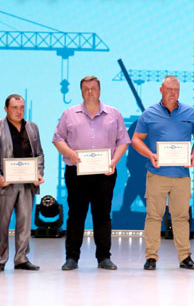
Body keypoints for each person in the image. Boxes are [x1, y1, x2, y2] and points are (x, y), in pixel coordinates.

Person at [53, 76, 130, 271]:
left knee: (102, 215)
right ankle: (72, 258)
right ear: (81, 91)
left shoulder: (114, 114)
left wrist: (114, 161)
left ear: (100, 90)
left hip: (105, 172)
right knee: (75, 215)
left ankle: (104, 257)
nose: (90, 92)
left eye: (93, 88)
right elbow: (58, 139)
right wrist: (70, 153)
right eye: (86, 88)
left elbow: (123, 141)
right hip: (76, 172)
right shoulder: (69, 114)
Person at [131, 76, 194, 271]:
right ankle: (151, 257)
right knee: (153, 216)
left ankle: (185, 257)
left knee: (181, 217)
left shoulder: (190, 112)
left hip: (181, 175)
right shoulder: (149, 114)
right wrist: (150, 154)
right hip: (157, 174)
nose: (173, 93)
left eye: (176, 90)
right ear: (161, 90)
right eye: (169, 89)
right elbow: (136, 139)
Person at [0, 94, 44, 271]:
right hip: (5, 183)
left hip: (27, 183)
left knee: (25, 223)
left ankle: (21, 259)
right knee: (2, 223)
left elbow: (39, 154)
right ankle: (0, 260)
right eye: (14, 108)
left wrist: (39, 173)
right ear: (6, 109)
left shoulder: (32, 127)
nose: (19, 111)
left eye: (21, 108)